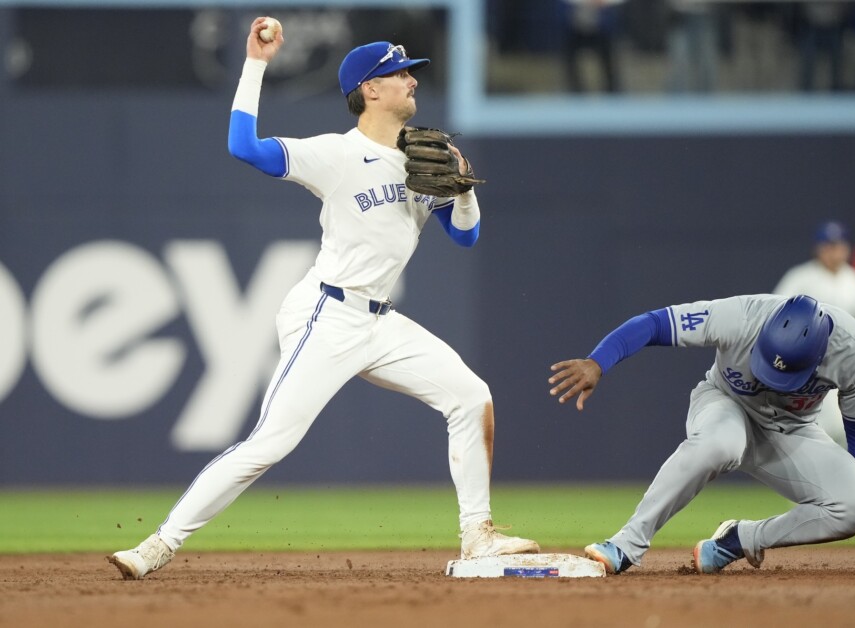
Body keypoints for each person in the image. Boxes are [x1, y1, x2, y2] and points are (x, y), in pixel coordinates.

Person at [108, 17, 539, 580]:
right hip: (328, 315)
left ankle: (478, 537)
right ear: (370, 90)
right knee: (269, 443)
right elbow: (243, 146)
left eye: (411, 72)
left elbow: (466, 236)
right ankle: (157, 546)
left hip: (381, 323)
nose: (412, 81)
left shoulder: (421, 158)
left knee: (470, 396)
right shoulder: (336, 154)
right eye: (399, 73)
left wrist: (462, 192)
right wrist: (256, 63)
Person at [548, 294, 855, 575]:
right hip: (725, 404)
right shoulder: (740, 316)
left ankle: (739, 540)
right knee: (718, 445)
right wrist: (598, 361)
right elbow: (654, 323)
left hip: (791, 430)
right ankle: (625, 545)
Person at [773, 220, 855, 447]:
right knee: (824, 427)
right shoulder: (801, 277)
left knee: (842, 430)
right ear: (818, 249)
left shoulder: (854, 280)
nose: (833, 251)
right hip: (810, 364)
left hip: (846, 364)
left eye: (838, 245)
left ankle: (837, 478)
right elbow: (775, 312)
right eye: (828, 246)